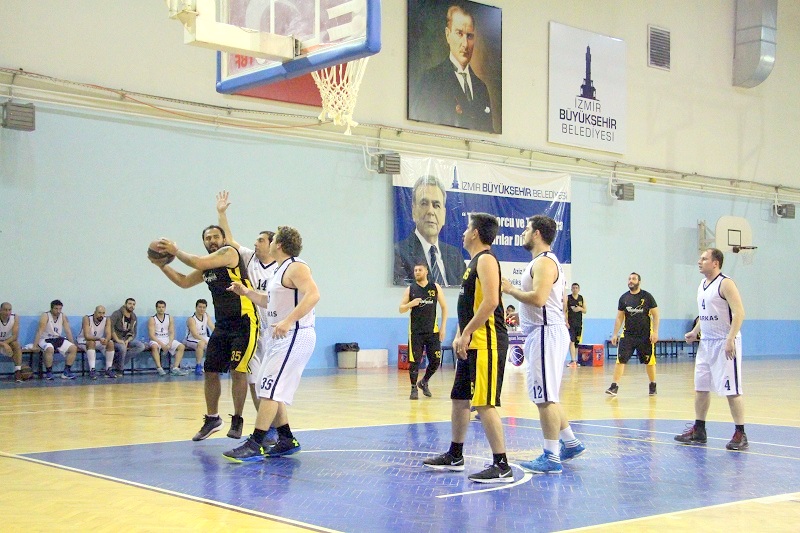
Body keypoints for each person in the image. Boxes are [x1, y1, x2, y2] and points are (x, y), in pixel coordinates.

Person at [423, 213, 511, 483]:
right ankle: (455, 454)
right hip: (472, 341)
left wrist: (468, 332)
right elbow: (470, 304)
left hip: (487, 342)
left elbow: (491, 302)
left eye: (466, 228)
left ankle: (502, 465)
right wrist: (460, 334)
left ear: (475, 233)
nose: (462, 233)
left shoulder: (486, 260)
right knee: (460, 398)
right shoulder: (472, 263)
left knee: (484, 403)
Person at [151, 225, 259, 442]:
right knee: (210, 371)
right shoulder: (207, 268)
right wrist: (162, 265)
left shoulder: (229, 253)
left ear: (223, 239)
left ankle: (237, 419)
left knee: (238, 371)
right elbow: (183, 282)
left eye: (216, 236)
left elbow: (198, 262)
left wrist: (175, 251)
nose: (212, 240)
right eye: (208, 238)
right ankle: (212, 419)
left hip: (244, 322)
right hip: (223, 325)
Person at [222, 225, 320, 462]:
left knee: (270, 389)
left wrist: (288, 320)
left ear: (280, 245)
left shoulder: (296, 266)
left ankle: (256, 443)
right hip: (279, 336)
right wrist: (246, 292)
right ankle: (286, 439)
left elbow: (313, 294)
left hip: (295, 334)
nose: (268, 243)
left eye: (273, 240)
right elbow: (270, 301)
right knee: (267, 386)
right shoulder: (280, 269)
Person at [501, 215, 586, 474]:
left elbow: (538, 298)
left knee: (545, 397)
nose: (524, 233)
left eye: (527, 229)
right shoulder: (542, 262)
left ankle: (551, 457)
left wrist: (510, 290)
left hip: (546, 334)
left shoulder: (545, 262)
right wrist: (523, 315)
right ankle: (570, 443)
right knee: (548, 395)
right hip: (542, 330)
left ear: (537, 233)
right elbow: (547, 302)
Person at [217, 190, 278, 444]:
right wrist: (222, 213)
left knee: (271, 383)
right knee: (255, 380)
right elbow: (229, 240)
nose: (256, 242)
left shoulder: (281, 268)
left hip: (275, 330)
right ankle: (265, 430)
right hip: (251, 327)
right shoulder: (249, 257)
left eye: (260, 240)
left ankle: (275, 428)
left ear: (272, 244)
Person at [675, 248, 748, 450]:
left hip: (725, 343)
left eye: (704, 259)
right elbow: (704, 313)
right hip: (706, 343)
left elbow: (739, 313)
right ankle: (699, 430)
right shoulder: (702, 284)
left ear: (715, 263)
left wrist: (730, 339)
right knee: (701, 387)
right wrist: (695, 331)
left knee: (732, 390)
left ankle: (740, 433)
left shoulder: (726, 283)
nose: (699, 261)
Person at [410, 4, 494, 132]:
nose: (465, 44)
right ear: (447, 35)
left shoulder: (481, 88)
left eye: (469, 36)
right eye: (459, 33)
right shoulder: (430, 81)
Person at [394, 175, 466, 286]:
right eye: (424, 204)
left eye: (436, 205)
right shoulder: (399, 253)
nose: (430, 211)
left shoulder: (455, 255)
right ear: (413, 211)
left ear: (444, 214)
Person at [399, 261, 448, 400]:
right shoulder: (410, 289)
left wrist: (443, 327)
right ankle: (413, 388)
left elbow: (444, 307)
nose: (417, 272)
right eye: (415, 270)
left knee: (436, 361)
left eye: (420, 270)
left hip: (432, 331)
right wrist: (410, 304)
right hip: (415, 332)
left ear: (426, 271)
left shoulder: (435, 287)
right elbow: (401, 309)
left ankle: (424, 381)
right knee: (414, 362)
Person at [606, 273, 659, 397]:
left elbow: (656, 315)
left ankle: (652, 384)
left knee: (649, 362)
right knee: (620, 360)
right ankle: (614, 386)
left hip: (645, 336)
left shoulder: (647, 297)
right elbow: (619, 317)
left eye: (634, 279)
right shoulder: (624, 298)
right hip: (628, 335)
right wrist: (615, 334)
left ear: (639, 281)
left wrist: (655, 332)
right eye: (629, 279)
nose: (631, 281)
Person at [34, 299, 78, 380]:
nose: (58, 311)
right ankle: (49, 372)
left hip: (57, 338)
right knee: (49, 349)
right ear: (51, 308)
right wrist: (35, 345)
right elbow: (39, 331)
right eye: (56, 309)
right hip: (45, 339)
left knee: (73, 348)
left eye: (60, 309)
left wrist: (72, 343)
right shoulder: (45, 316)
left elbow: (68, 331)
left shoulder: (63, 316)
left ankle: (66, 372)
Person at [147, 300, 188, 376]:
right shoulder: (152, 319)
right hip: (156, 339)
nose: (161, 309)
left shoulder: (169, 318)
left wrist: (169, 343)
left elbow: (172, 332)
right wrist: (162, 345)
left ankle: (175, 368)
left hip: (167, 338)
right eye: (159, 307)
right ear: (156, 308)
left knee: (181, 346)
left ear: (165, 308)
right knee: (154, 346)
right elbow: (152, 335)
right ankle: (159, 368)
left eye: (163, 307)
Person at [76, 305, 116, 380]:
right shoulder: (87, 318)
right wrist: (99, 339)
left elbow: (108, 334)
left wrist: (106, 340)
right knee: (91, 343)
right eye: (99, 313)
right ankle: (92, 369)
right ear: (94, 312)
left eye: (103, 313)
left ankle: (108, 369)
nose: (101, 315)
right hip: (83, 340)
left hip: (98, 340)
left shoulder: (107, 319)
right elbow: (87, 336)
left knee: (110, 343)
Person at [109, 298, 146, 375]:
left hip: (126, 340)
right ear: (125, 304)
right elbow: (110, 328)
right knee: (122, 348)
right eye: (130, 304)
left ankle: (116, 362)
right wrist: (118, 340)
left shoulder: (133, 316)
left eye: (133, 304)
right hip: (115, 340)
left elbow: (133, 332)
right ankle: (120, 369)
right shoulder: (117, 314)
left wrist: (128, 340)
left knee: (141, 346)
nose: (131, 306)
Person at [185, 299, 215, 376]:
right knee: (201, 343)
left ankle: (213, 366)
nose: (202, 309)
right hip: (191, 339)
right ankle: (198, 366)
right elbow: (195, 334)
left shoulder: (206, 316)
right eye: (200, 307)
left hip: (203, 337)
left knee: (216, 343)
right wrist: (206, 341)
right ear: (196, 307)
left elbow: (212, 327)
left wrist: (217, 336)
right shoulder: (191, 319)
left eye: (204, 307)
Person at [0, 302, 23, 383]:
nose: (7, 312)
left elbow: (15, 336)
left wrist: (5, 343)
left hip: (8, 341)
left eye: (9, 310)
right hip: (3, 343)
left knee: (16, 344)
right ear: (0, 310)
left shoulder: (15, 317)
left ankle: (18, 371)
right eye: (5, 310)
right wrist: (4, 344)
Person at [566, 283, 586, 367]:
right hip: (570, 323)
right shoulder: (568, 298)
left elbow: (585, 310)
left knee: (577, 343)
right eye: (573, 288)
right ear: (571, 289)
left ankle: (576, 360)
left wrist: (580, 308)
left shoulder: (581, 298)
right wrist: (566, 322)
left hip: (579, 323)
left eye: (576, 288)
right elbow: (565, 311)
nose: (575, 289)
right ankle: (572, 360)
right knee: (572, 341)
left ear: (579, 289)